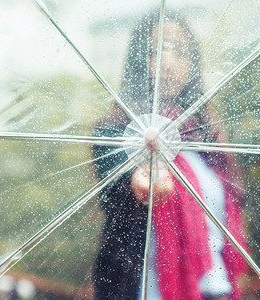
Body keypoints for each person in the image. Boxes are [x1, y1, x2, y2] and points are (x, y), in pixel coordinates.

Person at [92, 10, 248, 300]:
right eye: (157, 51)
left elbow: (233, 204)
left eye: (182, 53)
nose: (169, 63)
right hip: (146, 290)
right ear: (139, 59)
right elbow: (113, 176)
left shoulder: (207, 140)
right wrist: (136, 175)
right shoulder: (117, 132)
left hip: (214, 290)